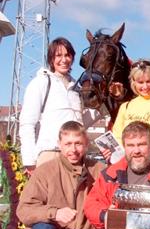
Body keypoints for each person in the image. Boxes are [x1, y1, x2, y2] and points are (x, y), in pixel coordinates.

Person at [16, 121, 104, 229]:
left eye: (78, 143)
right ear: (59, 145)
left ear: (86, 144)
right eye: (68, 144)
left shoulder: (99, 170)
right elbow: (24, 210)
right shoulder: (44, 171)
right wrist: (54, 213)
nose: (73, 149)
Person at [19, 37, 97, 172]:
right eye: (58, 55)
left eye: (67, 55)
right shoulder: (41, 83)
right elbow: (27, 123)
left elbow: (80, 123)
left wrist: (102, 110)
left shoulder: (76, 87)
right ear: (51, 59)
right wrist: (29, 160)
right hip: (50, 153)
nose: (64, 60)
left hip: (74, 155)